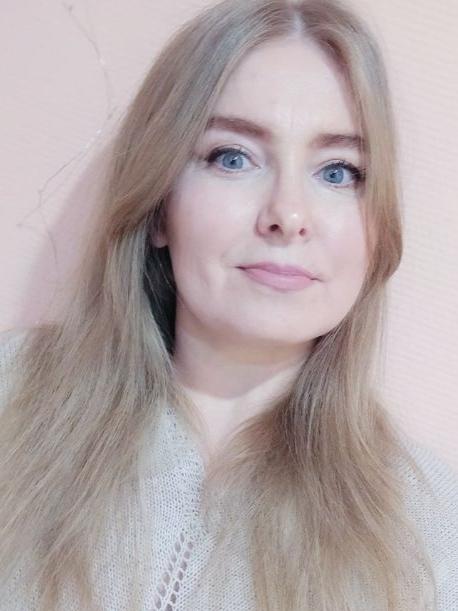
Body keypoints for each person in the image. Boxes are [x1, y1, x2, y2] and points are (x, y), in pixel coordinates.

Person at [0, 0, 457, 609]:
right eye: (232, 157)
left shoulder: (430, 530)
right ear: (159, 207)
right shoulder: (12, 393)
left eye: (339, 172)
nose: (288, 214)